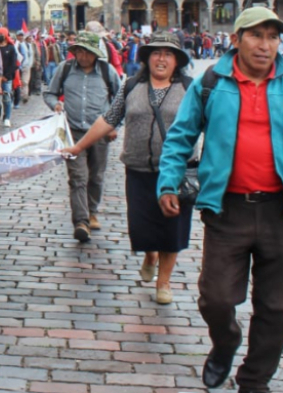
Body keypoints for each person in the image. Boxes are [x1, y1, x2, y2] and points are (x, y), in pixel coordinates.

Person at [157, 7, 283, 393]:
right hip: (227, 210)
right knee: (216, 298)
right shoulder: (211, 83)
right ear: (235, 40)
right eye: (256, 35)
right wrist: (168, 183)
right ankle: (226, 342)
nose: (265, 44)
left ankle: (254, 380)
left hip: (282, 213)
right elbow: (180, 136)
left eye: (273, 37)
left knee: (278, 307)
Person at [62, 33, 193, 303]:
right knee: (142, 228)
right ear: (146, 58)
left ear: (177, 60)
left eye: (168, 54)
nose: (161, 58)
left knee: (172, 229)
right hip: (138, 169)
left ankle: (164, 283)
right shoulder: (132, 86)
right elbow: (109, 119)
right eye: (156, 53)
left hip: (177, 171)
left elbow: (208, 124)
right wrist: (78, 146)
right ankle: (150, 254)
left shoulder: (190, 89)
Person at [44, 31, 119, 243]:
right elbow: (49, 93)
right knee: (78, 177)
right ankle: (81, 221)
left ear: (96, 54)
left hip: (100, 132)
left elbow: (121, 99)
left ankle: (92, 210)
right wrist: (56, 104)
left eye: (87, 52)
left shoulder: (106, 71)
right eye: (79, 52)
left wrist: (114, 125)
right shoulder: (65, 69)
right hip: (73, 131)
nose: (83, 57)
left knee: (96, 176)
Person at [0, 27, 18, 129]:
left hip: (7, 78)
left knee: (7, 98)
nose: (0, 36)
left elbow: (13, 64)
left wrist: (6, 76)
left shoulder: (11, 48)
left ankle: (7, 118)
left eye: (2, 34)